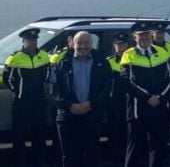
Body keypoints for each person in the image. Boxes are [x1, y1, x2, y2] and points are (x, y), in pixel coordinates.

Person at [51, 31, 112, 167]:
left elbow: (107, 87)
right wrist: (70, 106)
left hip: (92, 115)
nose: (83, 46)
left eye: (86, 43)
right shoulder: (62, 62)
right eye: (79, 43)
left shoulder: (101, 62)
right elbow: (54, 90)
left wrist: (92, 104)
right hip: (67, 116)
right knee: (70, 156)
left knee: (92, 154)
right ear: (73, 43)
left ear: (92, 44)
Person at [121, 21, 170, 167]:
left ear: (151, 35)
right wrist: (148, 98)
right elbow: (128, 82)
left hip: (159, 108)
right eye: (140, 35)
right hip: (138, 111)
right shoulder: (128, 55)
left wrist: (160, 98)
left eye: (146, 34)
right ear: (135, 37)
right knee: (135, 148)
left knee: (158, 148)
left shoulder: (161, 52)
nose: (144, 37)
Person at [3, 27, 50, 166]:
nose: (33, 43)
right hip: (22, 102)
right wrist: (18, 92)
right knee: (19, 134)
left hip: (39, 102)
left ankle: (40, 160)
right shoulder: (14, 58)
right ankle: (19, 161)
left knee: (40, 133)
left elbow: (48, 76)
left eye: (35, 40)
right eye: (30, 40)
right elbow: (8, 79)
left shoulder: (44, 56)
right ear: (24, 41)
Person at [107, 33, 131, 164]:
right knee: (114, 129)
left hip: (130, 99)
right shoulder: (109, 62)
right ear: (114, 46)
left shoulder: (133, 59)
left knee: (128, 129)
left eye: (124, 44)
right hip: (114, 101)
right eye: (119, 45)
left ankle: (128, 155)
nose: (121, 47)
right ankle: (115, 156)